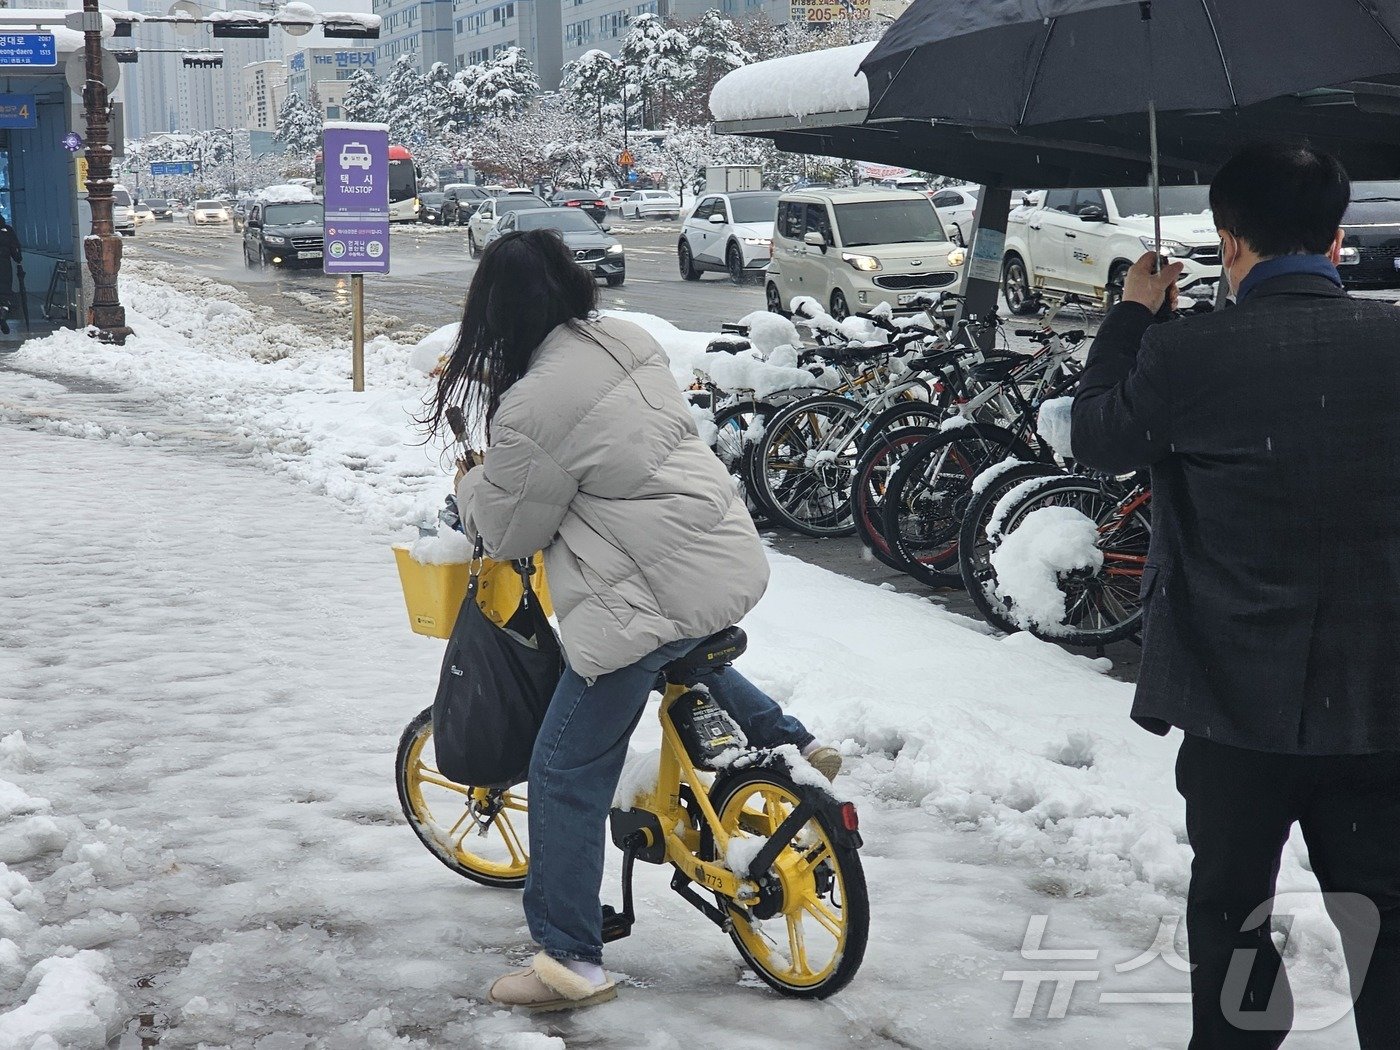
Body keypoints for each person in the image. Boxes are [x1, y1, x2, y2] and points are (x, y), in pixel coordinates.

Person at [426, 228, 841, 1013]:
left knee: (560, 771)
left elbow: (511, 531)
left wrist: (474, 483)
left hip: (646, 596)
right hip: (719, 556)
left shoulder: (536, 402)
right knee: (684, 649)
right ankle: (792, 742)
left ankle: (568, 961)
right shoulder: (620, 340)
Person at [1073, 143, 1400, 1049]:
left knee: (1230, 915)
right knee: (1390, 916)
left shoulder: (1187, 355)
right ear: (1336, 239)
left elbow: (1095, 433)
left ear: (1230, 241)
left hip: (1231, 702)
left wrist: (1135, 317)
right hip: (1380, 699)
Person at [0, 214, 22, 336]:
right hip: (4, 267)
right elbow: (16, 248)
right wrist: (18, 259)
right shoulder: (7, 230)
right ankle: (3, 312)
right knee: (4, 292)